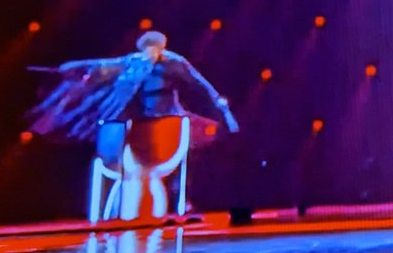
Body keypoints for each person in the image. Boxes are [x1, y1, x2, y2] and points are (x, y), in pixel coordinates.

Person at [28, 31, 238, 219]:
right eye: (147, 49)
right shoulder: (134, 62)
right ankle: (129, 210)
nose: (150, 53)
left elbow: (199, 82)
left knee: (181, 157)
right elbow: (103, 65)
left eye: (154, 49)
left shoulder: (174, 63)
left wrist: (218, 102)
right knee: (135, 168)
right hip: (141, 123)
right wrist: (75, 68)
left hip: (169, 121)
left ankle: (180, 196)